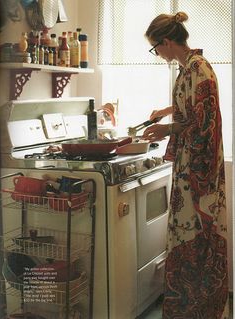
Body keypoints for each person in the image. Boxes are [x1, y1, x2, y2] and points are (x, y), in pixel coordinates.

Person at [143, 12, 229, 319]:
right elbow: (193, 107)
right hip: (187, 170)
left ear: (166, 42)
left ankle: (200, 311)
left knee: (196, 238)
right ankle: (185, 310)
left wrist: (167, 129)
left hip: (199, 177)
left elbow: (203, 124)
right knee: (183, 235)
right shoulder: (186, 70)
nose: (158, 55)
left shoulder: (198, 69)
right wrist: (167, 111)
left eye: (156, 48)